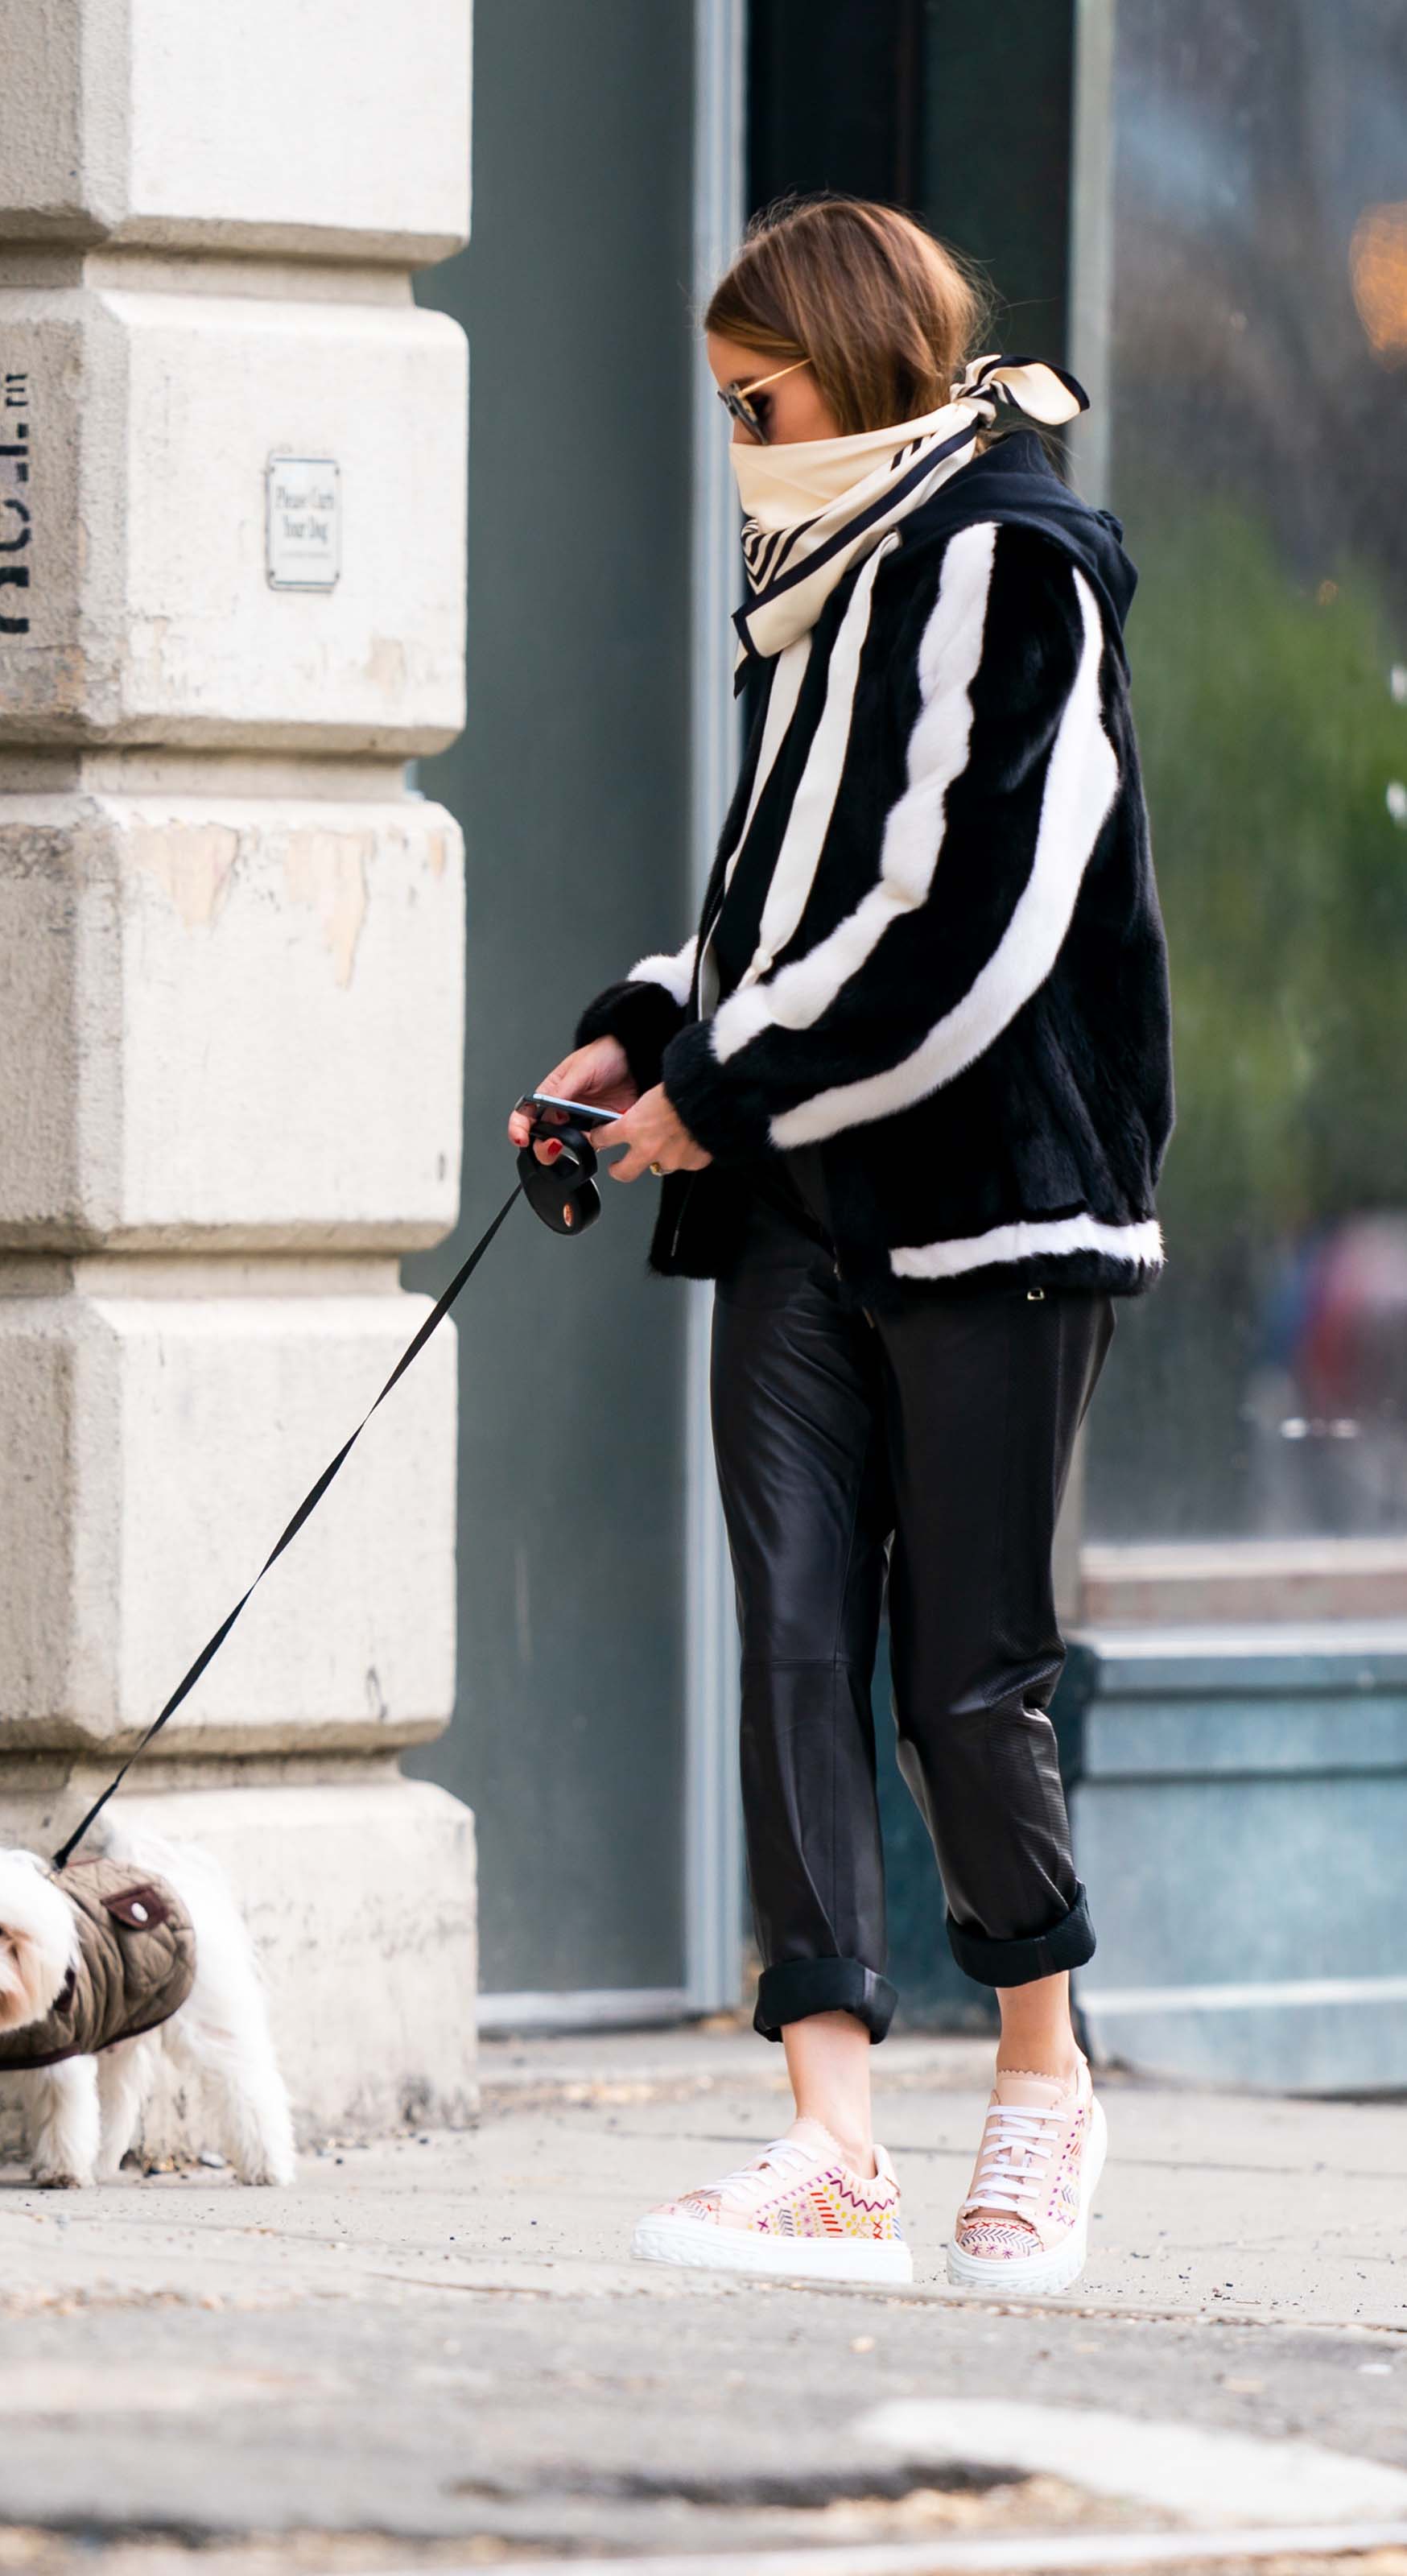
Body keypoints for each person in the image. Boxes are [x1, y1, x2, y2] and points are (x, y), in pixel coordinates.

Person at [509, 195, 1173, 2293]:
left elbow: (974, 930)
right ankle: (829, 2142)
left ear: (853, 366)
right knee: (797, 1634)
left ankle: (1046, 2089)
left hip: (993, 1196)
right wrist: (631, 1039)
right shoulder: (824, 574)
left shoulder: (1013, 565)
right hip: (798, 1191)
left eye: (756, 397)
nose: (738, 439)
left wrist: (722, 1095)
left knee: (965, 1677)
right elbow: (774, 913)